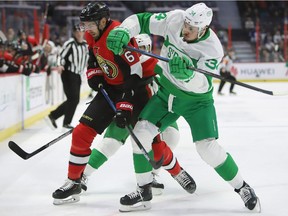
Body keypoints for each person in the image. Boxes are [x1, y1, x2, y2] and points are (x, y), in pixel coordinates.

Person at [106, 2, 261, 212]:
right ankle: (144, 190)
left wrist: (188, 75)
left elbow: (204, 84)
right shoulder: (176, 20)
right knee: (140, 135)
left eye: (191, 28)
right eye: (186, 25)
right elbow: (142, 20)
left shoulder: (213, 48)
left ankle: (242, 187)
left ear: (204, 29)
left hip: (196, 102)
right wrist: (125, 29)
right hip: (166, 94)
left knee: (207, 149)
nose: (185, 30)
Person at [52, 2, 196, 208]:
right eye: (83, 25)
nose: (85, 29)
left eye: (89, 24)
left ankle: (177, 172)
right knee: (81, 133)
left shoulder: (119, 37)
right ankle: (74, 182)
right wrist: (94, 74)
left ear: (103, 21)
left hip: (136, 91)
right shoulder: (92, 34)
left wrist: (125, 106)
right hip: (111, 89)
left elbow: (136, 76)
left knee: (152, 147)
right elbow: (94, 56)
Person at [81, 33, 182, 196]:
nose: (140, 52)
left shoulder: (156, 64)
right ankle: (82, 175)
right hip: (127, 110)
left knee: (172, 136)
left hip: (153, 113)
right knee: (110, 144)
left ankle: (151, 175)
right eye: (136, 48)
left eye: (143, 48)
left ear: (149, 48)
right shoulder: (124, 65)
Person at [46, 24, 88, 130]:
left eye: (81, 31)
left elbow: (87, 59)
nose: (79, 33)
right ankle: (65, 123)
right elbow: (61, 56)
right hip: (68, 73)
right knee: (73, 99)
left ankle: (53, 115)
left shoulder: (85, 45)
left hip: (78, 74)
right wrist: (60, 64)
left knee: (73, 99)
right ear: (74, 33)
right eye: (77, 31)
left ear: (83, 32)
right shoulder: (70, 44)